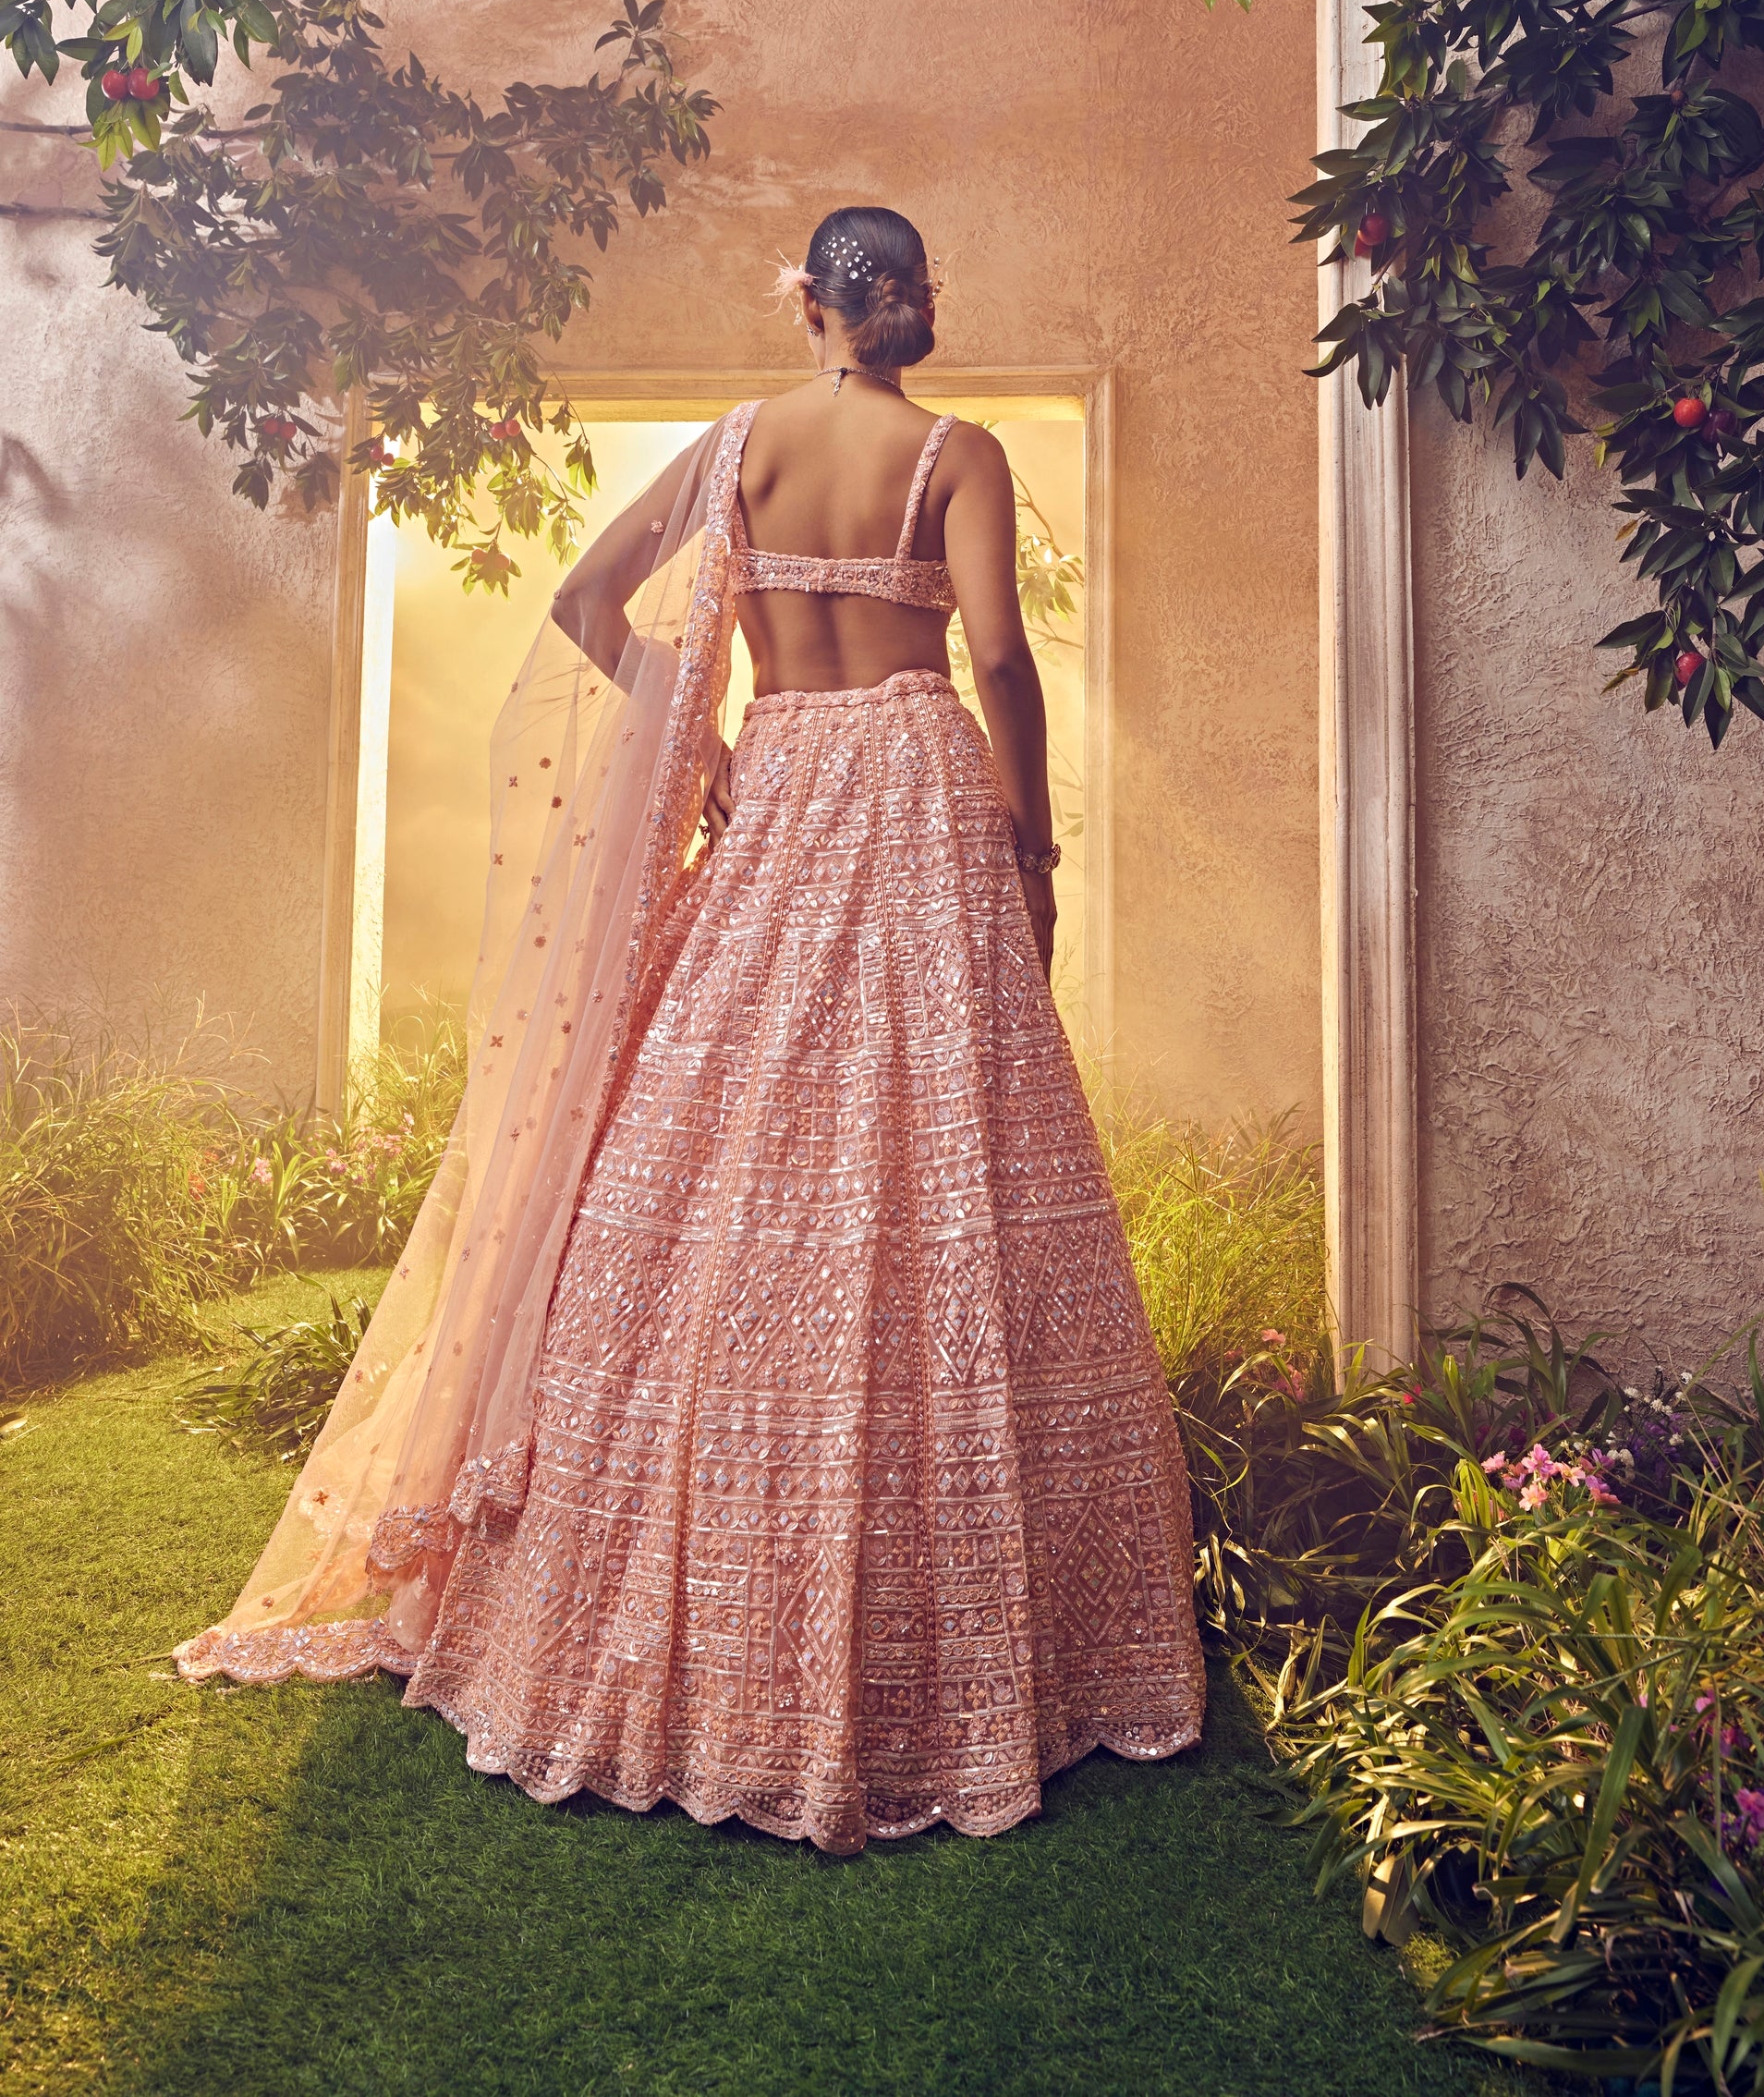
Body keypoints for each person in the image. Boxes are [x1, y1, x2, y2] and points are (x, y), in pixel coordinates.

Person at [179, 206, 1204, 1854]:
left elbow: (593, 607)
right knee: (943, 1140)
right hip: (922, 799)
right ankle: (944, 1622)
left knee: (718, 1162)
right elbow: (997, 652)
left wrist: (710, 750)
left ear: (807, 303)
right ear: (914, 304)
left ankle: (662, 1586)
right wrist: (1035, 838)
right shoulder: (957, 451)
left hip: (789, 780)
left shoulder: (734, 447)